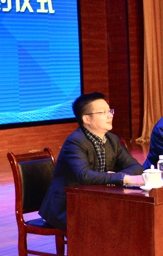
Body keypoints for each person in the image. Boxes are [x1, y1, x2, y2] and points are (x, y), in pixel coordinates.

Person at [39, 92, 144, 232]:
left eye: (110, 111)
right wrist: (122, 178)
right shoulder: (75, 142)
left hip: (96, 200)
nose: (110, 115)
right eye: (103, 112)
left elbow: (136, 167)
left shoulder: (112, 139)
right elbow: (84, 175)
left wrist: (113, 177)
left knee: (131, 216)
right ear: (87, 119)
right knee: (110, 223)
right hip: (68, 205)